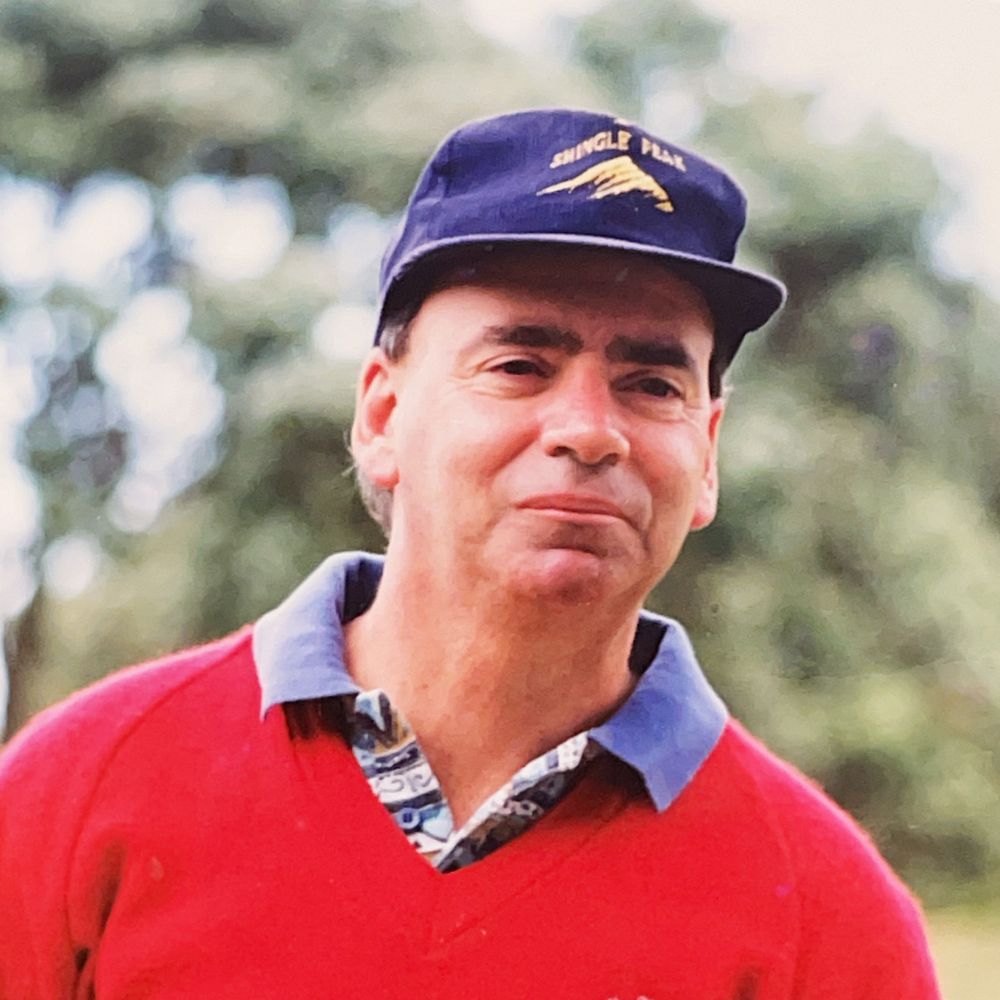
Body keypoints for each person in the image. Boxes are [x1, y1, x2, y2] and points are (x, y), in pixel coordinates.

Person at [0, 108, 940, 998]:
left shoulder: (827, 918)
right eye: (520, 367)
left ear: (708, 457)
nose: (589, 430)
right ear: (383, 416)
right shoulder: (80, 794)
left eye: (652, 384)